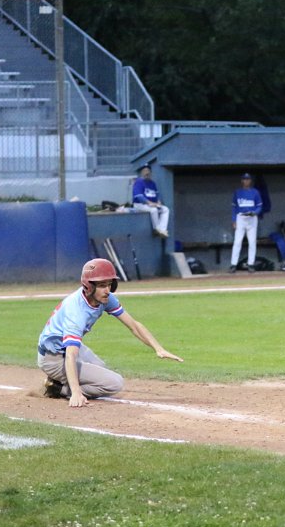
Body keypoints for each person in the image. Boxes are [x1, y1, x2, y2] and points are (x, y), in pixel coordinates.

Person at [37, 258, 183, 408]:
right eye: (102, 285)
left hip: (65, 349)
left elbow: (134, 325)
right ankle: (57, 388)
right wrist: (75, 392)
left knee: (102, 369)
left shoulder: (105, 298)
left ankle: (60, 381)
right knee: (114, 383)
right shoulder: (77, 312)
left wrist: (158, 348)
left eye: (109, 284)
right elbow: (70, 354)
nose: (107, 290)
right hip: (53, 358)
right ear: (89, 286)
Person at [230, 172, 263, 273]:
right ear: (242, 181)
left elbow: (260, 206)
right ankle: (233, 264)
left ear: (250, 181)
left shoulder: (255, 192)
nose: (246, 181)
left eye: (248, 179)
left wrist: (255, 213)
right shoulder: (237, 192)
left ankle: (251, 264)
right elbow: (234, 207)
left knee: (252, 242)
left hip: (252, 218)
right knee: (237, 241)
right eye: (244, 179)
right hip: (240, 217)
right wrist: (234, 220)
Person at [132, 164, 170, 238]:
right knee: (154, 210)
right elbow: (139, 197)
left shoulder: (152, 183)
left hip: (151, 204)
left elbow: (157, 194)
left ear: (151, 173)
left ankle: (162, 230)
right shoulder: (139, 182)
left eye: (148, 171)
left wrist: (158, 201)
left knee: (165, 209)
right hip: (139, 205)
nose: (147, 173)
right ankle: (157, 229)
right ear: (142, 172)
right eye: (145, 171)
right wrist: (150, 203)